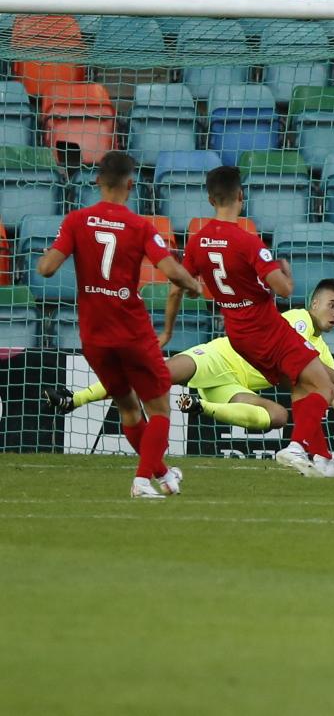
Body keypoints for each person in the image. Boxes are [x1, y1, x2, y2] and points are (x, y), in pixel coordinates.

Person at [173, 167, 334, 477]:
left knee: (304, 385)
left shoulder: (197, 241)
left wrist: (168, 327)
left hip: (239, 334)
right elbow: (284, 290)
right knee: (320, 386)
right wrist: (284, 273)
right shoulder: (249, 243)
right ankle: (297, 446)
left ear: (209, 198)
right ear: (241, 196)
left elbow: (182, 287)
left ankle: (322, 458)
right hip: (264, 330)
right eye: (333, 305)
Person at [47, 279, 334, 478]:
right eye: (332, 305)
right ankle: (74, 399)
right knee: (158, 376)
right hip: (219, 357)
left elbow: (333, 392)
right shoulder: (299, 319)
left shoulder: (324, 354)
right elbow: (333, 380)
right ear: (314, 303)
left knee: (278, 417)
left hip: (235, 386)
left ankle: (202, 405)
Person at [35, 151, 206, 499]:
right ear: (131, 185)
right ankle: (142, 480)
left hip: (95, 335)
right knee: (159, 408)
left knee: (128, 407)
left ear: (97, 182)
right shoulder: (140, 225)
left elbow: (46, 269)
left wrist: (56, 252)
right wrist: (194, 285)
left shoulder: (76, 220)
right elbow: (170, 269)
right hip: (131, 330)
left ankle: (162, 473)